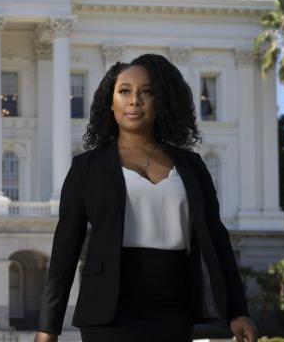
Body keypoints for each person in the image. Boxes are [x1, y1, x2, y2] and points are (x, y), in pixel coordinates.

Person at [34, 53, 259, 342]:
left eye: (146, 92)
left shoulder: (191, 165)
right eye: (124, 91)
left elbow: (216, 238)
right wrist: (47, 328)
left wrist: (237, 311)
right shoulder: (86, 167)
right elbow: (66, 248)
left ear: (162, 100)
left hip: (174, 306)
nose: (134, 100)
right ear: (110, 101)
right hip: (110, 310)